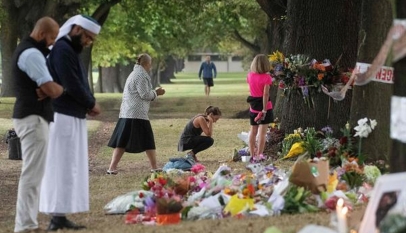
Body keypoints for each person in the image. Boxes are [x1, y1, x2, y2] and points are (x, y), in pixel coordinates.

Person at [39, 14, 101, 231]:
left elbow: (78, 82)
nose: (87, 42)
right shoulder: (63, 49)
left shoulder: (69, 50)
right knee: (60, 166)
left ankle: (60, 214)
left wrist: (87, 103)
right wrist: (90, 103)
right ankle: (55, 215)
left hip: (72, 115)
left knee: (68, 166)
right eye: (87, 37)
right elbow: (71, 83)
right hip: (61, 115)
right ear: (76, 29)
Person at [11, 17, 62, 233]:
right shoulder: (31, 53)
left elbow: (48, 87)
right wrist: (60, 89)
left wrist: (51, 87)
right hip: (32, 118)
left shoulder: (32, 51)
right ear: (41, 33)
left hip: (34, 116)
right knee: (31, 175)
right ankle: (25, 226)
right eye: (51, 38)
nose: (51, 43)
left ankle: (28, 223)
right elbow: (51, 88)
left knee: (35, 174)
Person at [107, 53, 166, 175]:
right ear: (146, 64)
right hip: (136, 113)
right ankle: (154, 167)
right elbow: (144, 94)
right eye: (150, 64)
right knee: (147, 139)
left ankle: (112, 168)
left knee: (123, 141)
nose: (151, 67)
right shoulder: (140, 75)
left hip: (128, 112)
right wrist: (156, 93)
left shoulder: (134, 73)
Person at [246, 54, 273, 163]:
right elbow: (265, 94)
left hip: (253, 106)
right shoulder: (267, 78)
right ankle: (259, 156)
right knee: (262, 133)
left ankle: (252, 155)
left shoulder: (249, 76)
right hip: (264, 106)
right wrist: (265, 110)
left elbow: (251, 89)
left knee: (253, 131)